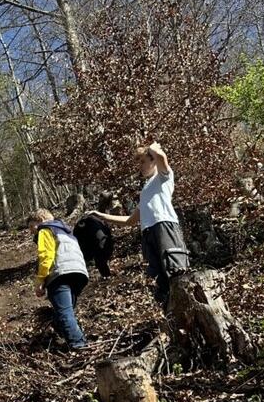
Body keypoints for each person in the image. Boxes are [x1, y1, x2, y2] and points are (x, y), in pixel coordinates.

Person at [89, 142, 190, 304]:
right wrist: (101, 216)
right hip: (147, 233)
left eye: (143, 161)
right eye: (139, 163)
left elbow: (161, 157)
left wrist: (153, 148)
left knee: (175, 270)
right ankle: (170, 312)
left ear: (153, 161)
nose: (140, 166)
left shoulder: (163, 177)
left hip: (164, 227)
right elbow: (130, 220)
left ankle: (188, 305)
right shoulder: (145, 192)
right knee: (159, 279)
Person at [26, 208, 89, 351]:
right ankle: (62, 332)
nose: (31, 231)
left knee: (64, 312)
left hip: (60, 273)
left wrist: (40, 280)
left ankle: (79, 345)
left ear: (41, 220)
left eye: (31, 226)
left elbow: (46, 256)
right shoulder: (66, 231)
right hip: (79, 272)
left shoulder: (45, 230)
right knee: (66, 310)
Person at [73, 192, 118, 279]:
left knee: (100, 258)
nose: (100, 200)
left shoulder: (91, 220)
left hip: (93, 245)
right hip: (94, 244)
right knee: (100, 258)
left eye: (102, 198)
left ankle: (105, 274)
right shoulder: (92, 220)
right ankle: (105, 274)